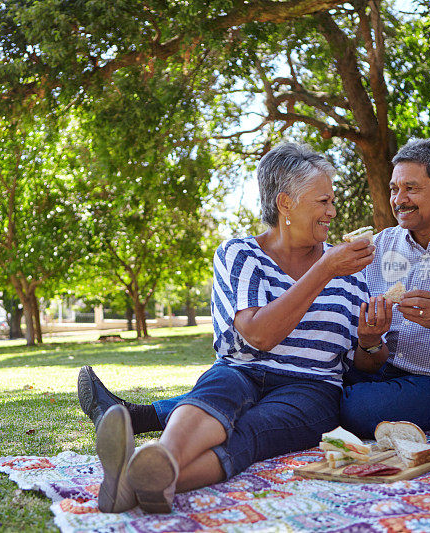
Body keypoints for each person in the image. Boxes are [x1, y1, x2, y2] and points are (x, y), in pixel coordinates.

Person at [81, 138, 430, 494]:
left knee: (340, 408)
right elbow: (310, 336)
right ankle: (149, 445)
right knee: (234, 387)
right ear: (285, 203)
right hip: (341, 369)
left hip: (428, 382)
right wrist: (370, 338)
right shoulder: (379, 248)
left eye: (410, 188)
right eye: (394, 188)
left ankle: (143, 445)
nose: (397, 199)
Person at [86, 142, 393, 514]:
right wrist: (324, 270)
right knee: (215, 393)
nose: (332, 212)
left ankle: (136, 480)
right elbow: (259, 335)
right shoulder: (241, 254)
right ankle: (160, 459)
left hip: (311, 389)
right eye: (322, 201)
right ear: (285, 204)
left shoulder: (349, 271)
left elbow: (363, 364)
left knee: (250, 432)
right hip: (240, 369)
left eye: (332, 201)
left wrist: (371, 341)